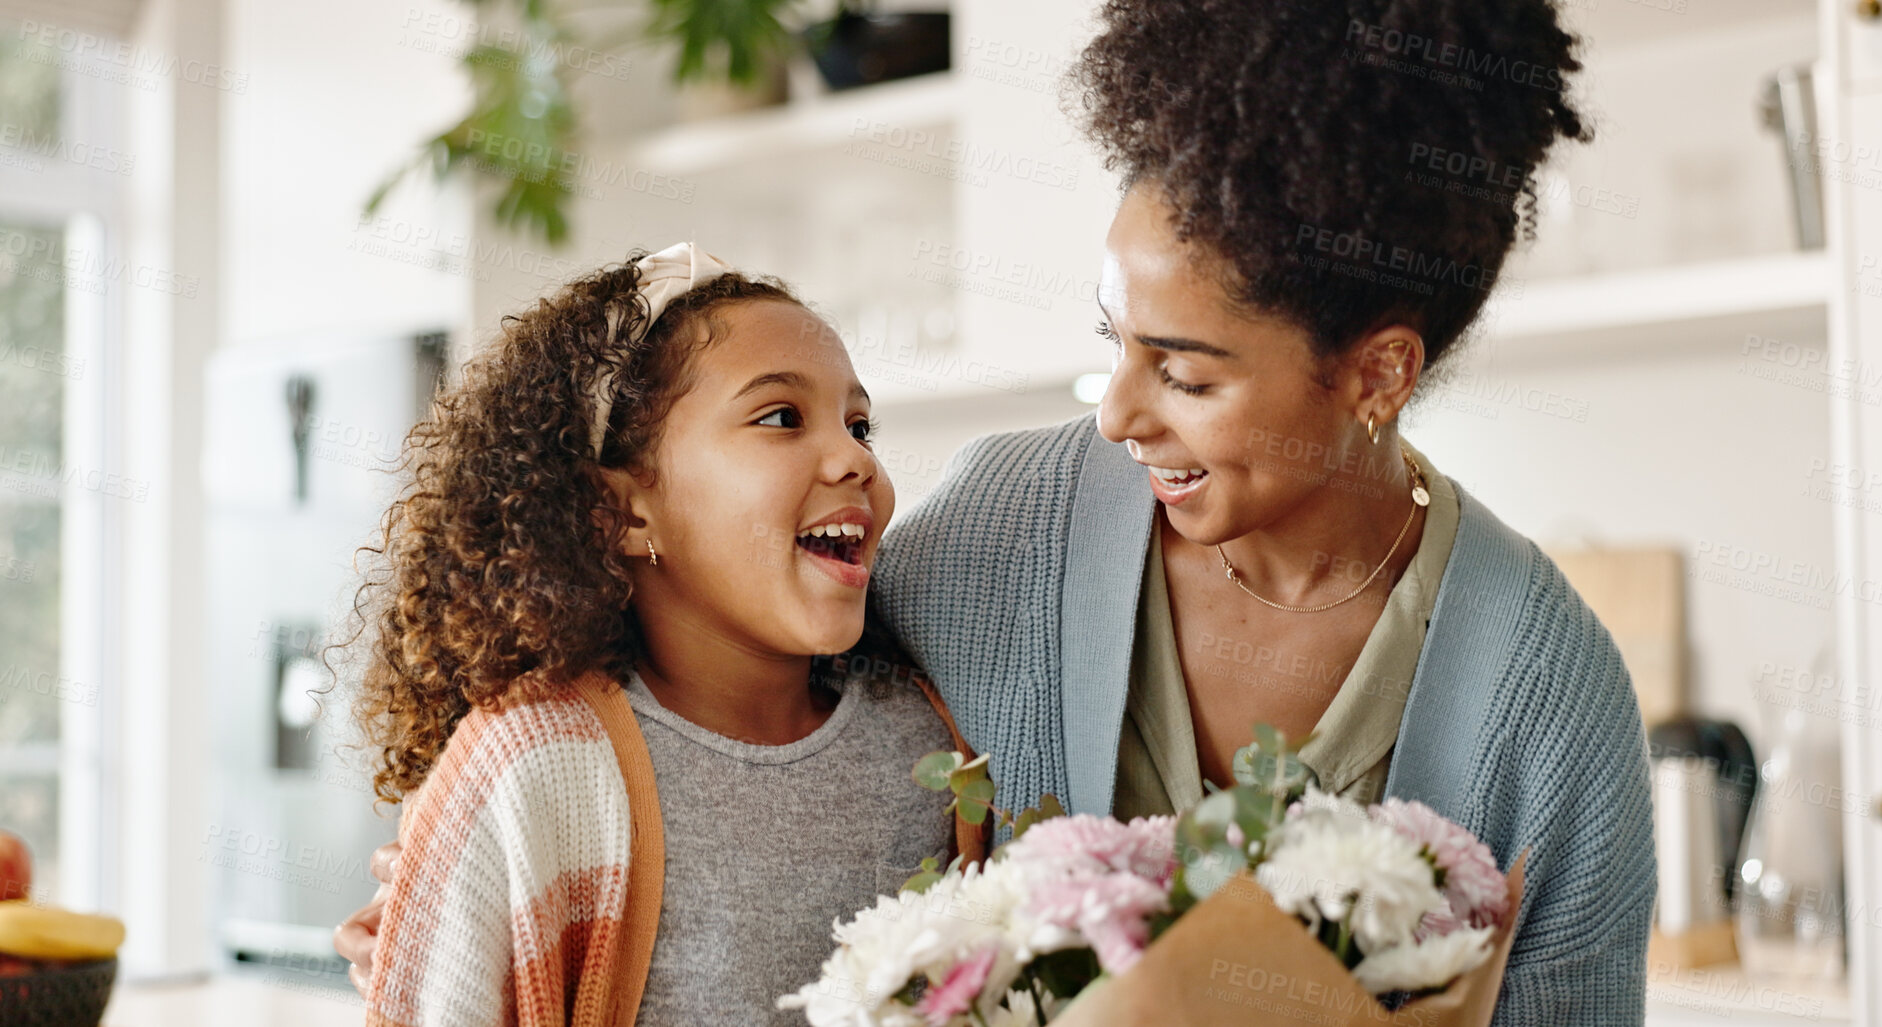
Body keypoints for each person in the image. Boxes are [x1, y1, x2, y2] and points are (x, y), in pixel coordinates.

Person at [347, 0, 1654, 1021]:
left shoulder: (1545, 702)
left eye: (1185, 372)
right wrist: (479, 849)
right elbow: (721, 658)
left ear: (1374, 374)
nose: (1118, 412)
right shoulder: (997, 541)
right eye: (1114, 342)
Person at [335, 243, 984, 1027]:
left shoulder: (926, 743)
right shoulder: (539, 765)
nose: (853, 458)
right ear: (625, 512)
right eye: (780, 416)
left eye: (859, 424)